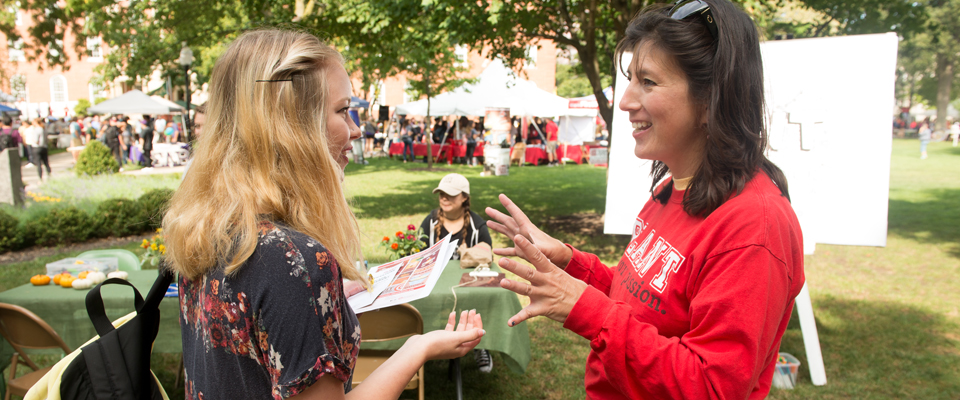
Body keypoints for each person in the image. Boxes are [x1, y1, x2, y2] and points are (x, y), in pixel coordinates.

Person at [485, 1, 804, 398]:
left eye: (648, 82)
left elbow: (711, 385)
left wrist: (585, 309)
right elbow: (640, 302)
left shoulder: (754, 226)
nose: (625, 101)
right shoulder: (673, 189)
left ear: (710, 100)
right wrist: (571, 263)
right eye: (631, 79)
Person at [162, 30, 484, 400]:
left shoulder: (206, 227)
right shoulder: (294, 260)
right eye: (342, 110)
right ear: (292, 125)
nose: (356, 130)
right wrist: (418, 348)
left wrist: (325, 299)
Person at [418, 173, 494, 373]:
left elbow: (487, 252)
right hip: (435, 285)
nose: (444, 198)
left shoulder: (477, 225)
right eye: (441, 193)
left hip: (467, 286)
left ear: (464, 198)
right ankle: (422, 342)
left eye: (450, 194)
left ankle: (481, 344)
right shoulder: (430, 222)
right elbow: (418, 253)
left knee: (480, 301)